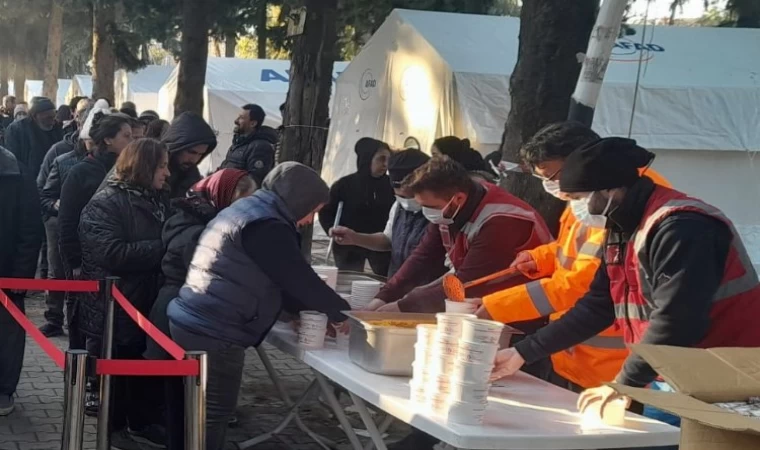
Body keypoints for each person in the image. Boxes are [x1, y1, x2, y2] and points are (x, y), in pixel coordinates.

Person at [490, 137, 760, 436]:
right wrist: (522, 353)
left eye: (579, 198)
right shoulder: (621, 226)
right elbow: (597, 305)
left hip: (726, 377)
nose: (577, 208)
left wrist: (624, 384)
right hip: (673, 373)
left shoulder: (682, 228)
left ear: (609, 190)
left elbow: (676, 321)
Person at [167, 162, 351, 450]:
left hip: (192, 317)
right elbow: (298, 278)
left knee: (190, 409)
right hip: (215, 330)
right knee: (212, 413)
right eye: (313, 210)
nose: (309, 220)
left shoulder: (249, 210)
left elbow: (273, 277)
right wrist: (343, 313)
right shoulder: (267, 225)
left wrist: (298, 312)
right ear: (300, 200)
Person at [145, 169, 256, 450]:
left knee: (181, 401)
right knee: (185, 403)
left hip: (178, 311)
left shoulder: (196, 219)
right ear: (225, 196)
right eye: (244, 201)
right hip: (184, 315)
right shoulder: (201, 231)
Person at [78, 138, 170, 448]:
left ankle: (141, 423)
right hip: (115, 306)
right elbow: (111, 253)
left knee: (141, 368)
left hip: (145, 302)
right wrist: (164, 248)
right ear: (144, 167)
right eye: (162, 166)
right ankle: (113, 429)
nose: (167, 173)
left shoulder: (156, 198)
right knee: (116, 372)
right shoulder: (106, 202)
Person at [374, 157, 553, 313]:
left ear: (459, 199)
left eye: (431, 207)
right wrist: (383, 297)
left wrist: (402, 306)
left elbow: (467, 285)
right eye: (423, 206)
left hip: (527, 309)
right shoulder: (449, 209)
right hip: (488, 306)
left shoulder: (502, 221)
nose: (427, 213)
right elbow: (423, 256)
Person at [330, 148, 446, 280]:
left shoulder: (441, 212)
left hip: (429, 286)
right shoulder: (398, 206)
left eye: (411, 196)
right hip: (397, 283)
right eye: (400, 196)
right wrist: (355, 238)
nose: (406, 202)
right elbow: (388, 240)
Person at [36, 105, 96, 338]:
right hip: (59, 221)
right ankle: (54, 316)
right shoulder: (60, 153)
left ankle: (82, 319)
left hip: (92, 225)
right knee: (58, 270)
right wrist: (54, 206)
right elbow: (43, 190)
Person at [58, 112, 133, 281]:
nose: (132, 141)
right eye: (126, 136)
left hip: (119, 255)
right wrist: (74, 261)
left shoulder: (130, 171)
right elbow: (67, 219)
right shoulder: (80, 173)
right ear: (108, 139)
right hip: (87, 257)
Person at [0, 147, 44, 416]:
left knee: (7, 335)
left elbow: (30, 228)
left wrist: (22, 274)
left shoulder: (17, 172)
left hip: (6, 271)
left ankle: (3, 387)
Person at [320, 138, 395, 275]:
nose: (385, 164)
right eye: (381, 159)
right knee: (349, 279)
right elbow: (326, 211)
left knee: (385, 279)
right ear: (367, 159)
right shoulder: (344, 185)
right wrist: (331, 228)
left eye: (388, 160)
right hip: (348, 246)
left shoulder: (392, 186)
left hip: (380, 245)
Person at [4, 96, 63, 178]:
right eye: (48, 118)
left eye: (53, 117)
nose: (52, 122)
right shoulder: (16, 130)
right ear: (35, 116)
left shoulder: (57, 128)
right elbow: (13, 159)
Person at [161, 112, 217, 198]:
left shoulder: (192, 173)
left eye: (201, 154)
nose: (194, 159)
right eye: (191, 152)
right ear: (178, 146)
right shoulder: (153, 168)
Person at [218, 103, 277, 186]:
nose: (236, 121)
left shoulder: (260, 147)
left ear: (253, 123)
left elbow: (255, 182)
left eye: (241, 118)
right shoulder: (239, 143)